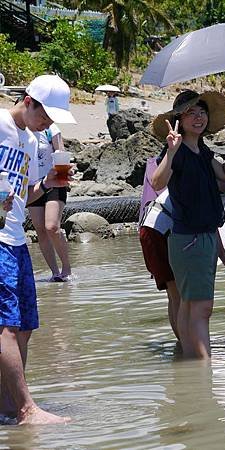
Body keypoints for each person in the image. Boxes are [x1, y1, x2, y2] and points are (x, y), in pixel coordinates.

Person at [0, 74, 75, 424]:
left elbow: (26, 194)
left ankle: (8, 407)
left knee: (25, 325)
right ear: (28, 101)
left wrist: (48, 183)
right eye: (45, 114)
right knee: (6, 326)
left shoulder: (30, 140)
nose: (48, 123)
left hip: (16, 239)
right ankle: (26, 408)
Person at [151, 89, 225, 359]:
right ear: (179, 119)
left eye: (201, 111)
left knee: (190, 306)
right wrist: (171, 150)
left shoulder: (202, 150)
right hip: (189, 238)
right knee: (199, 307)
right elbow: (157, 183)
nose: (198, 117)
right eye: (191, 112)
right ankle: (203, 364)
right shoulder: (177, 151)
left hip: (201, 237)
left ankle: (191, 363)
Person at [27, 123, 71, 281]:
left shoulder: (50, 128)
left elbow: (61, 153)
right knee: (40, 229)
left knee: (51, 227)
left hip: (54, 181)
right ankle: (55, 272)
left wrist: (63, 174)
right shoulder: (21, 132)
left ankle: (66, 268)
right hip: (32, 185)